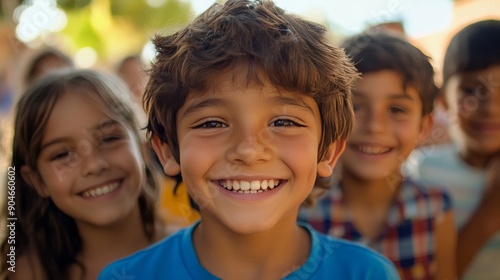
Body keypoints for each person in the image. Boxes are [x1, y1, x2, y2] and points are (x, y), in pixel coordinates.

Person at [98, 1, 399, 279]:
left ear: (329, 152)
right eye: (212, 123)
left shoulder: (368, 274)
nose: (249, 150)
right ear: (167, 150)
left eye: (283, 122)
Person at [299, 31, 457, 280]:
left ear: (424, 127)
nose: (375, 126)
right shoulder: (300, 209)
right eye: (356, 107)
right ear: (330, 118)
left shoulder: (436, 208)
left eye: (396, 109)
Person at [0, 69, 165, 280]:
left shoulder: (203, 249)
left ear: (143, 148)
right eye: (62, 154)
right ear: (36, 180)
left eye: (109, 139)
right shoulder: (29, 273)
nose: (94, 165)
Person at [404, 19, 500, 279]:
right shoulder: (421, 173)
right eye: (471, 91)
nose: (490, 108)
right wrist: (488, 216)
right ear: (445, 100)